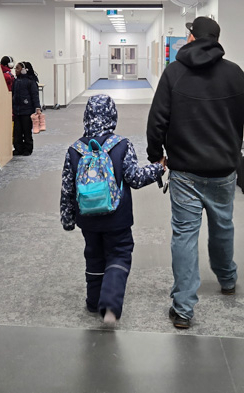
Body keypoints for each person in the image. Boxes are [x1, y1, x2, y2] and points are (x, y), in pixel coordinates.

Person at [146, 16, 244, 329]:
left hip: (184, 171)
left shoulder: (174, 73)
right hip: (222, 171)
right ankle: (228, 278)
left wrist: (156, 156)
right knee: (222, 226)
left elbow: (157, 120)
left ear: (192, 37)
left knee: (184, 234)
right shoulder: (233, 73)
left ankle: (183, 308)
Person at [60, 95, 165, 325]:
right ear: (112, 116)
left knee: (94, 255)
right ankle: (109, 304)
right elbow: (134, 178)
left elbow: (67, 187)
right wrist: (158, 168)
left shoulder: (74, 149)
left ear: (86, 116)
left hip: (87, 218)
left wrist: (68, 217)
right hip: (117, 217)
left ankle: (93, 300)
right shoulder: (122, 145)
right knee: (119, 253)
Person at [12, 61, 40, 156]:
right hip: (17, 111)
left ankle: (28, 149)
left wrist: (37, 107)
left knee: (27, 131)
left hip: (27, 111)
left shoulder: (30, 81)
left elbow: (35, 95)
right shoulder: (16, 81)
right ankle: (18, 148)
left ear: (24, 70)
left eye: (17, 68)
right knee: (17, 132)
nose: (15, 70)